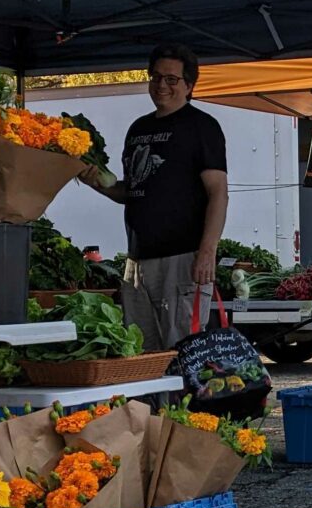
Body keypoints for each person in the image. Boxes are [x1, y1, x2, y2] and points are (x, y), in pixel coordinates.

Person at [78, 44, 227, 351]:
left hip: (182, 259)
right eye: (156, 77)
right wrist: (95, 182)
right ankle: (152, 403)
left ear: (189, 85)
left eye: (171, 79)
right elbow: (131, 191)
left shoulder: (202, 126)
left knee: (183, 352)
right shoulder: (138, 129)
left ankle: (183, 402)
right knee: (142, 352)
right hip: (137, 261)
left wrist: (207, 251)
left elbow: (218, 193)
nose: (162, 85)